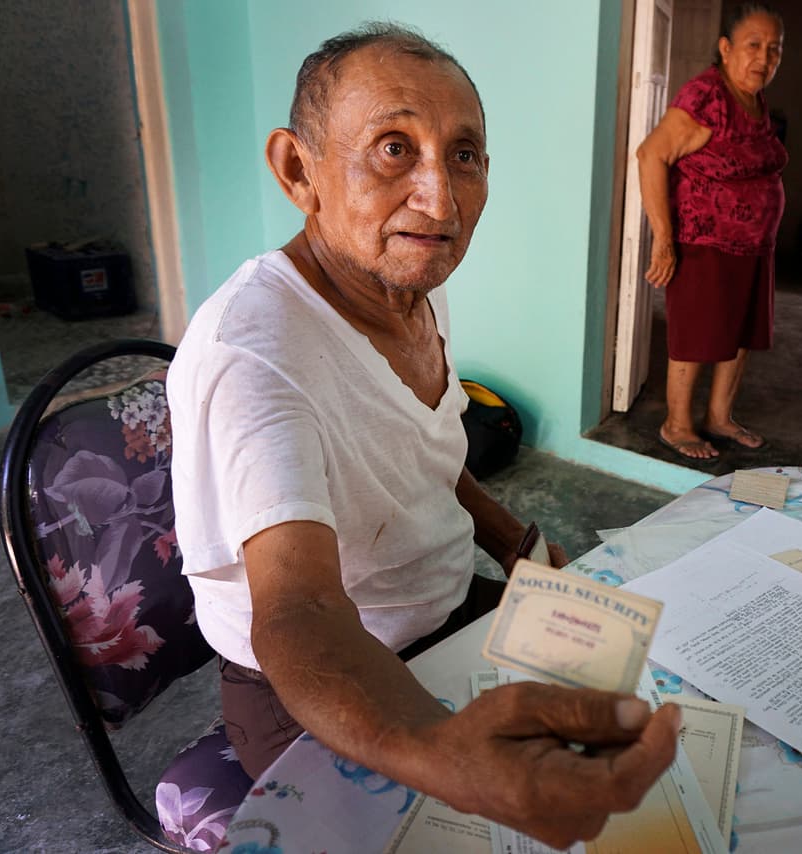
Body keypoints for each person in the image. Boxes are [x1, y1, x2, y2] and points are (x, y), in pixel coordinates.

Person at [167, 22, 680, 849]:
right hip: (320, 678)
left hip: (443, 604)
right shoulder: (255, 355)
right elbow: (300, 606)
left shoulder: (411, 283)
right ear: (299, 170)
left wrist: (516, 544)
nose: (441, 201)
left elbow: (423, 458)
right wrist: (435, 748)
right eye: (393, 148)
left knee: (652, 713)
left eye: (464, 155)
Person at [637, 3, 787, 460]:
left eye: (774, 49)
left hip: (752, 246)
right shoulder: (707, 96)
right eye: (753, 45)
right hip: (704, 243)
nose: (764, 57)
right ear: (725, 48)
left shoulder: (753, 98)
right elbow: (651, 155)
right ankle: (676, 425)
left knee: (738, 336)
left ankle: (719, 417)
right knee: (696, 338)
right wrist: (664, 240)